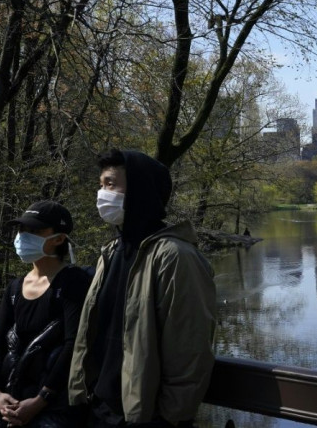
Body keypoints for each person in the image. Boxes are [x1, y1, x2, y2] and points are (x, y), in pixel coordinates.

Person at [69, 150, 216, 427]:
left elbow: (190, 352)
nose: (102, 194)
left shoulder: (175, 257)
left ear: (139, 190)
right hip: (98, 410)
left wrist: (169, 419)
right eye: (101, 185)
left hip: (142, 418)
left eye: (110, 184)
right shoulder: (111, 252)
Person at [0, 201, 90, 426]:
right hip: (10, 399)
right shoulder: (15, 287)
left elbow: (74, 346)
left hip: (52, 406)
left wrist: (41, 400)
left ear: (59, 239)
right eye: (22, 230)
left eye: (34, 231)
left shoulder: (74, 283)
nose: (23, 236)